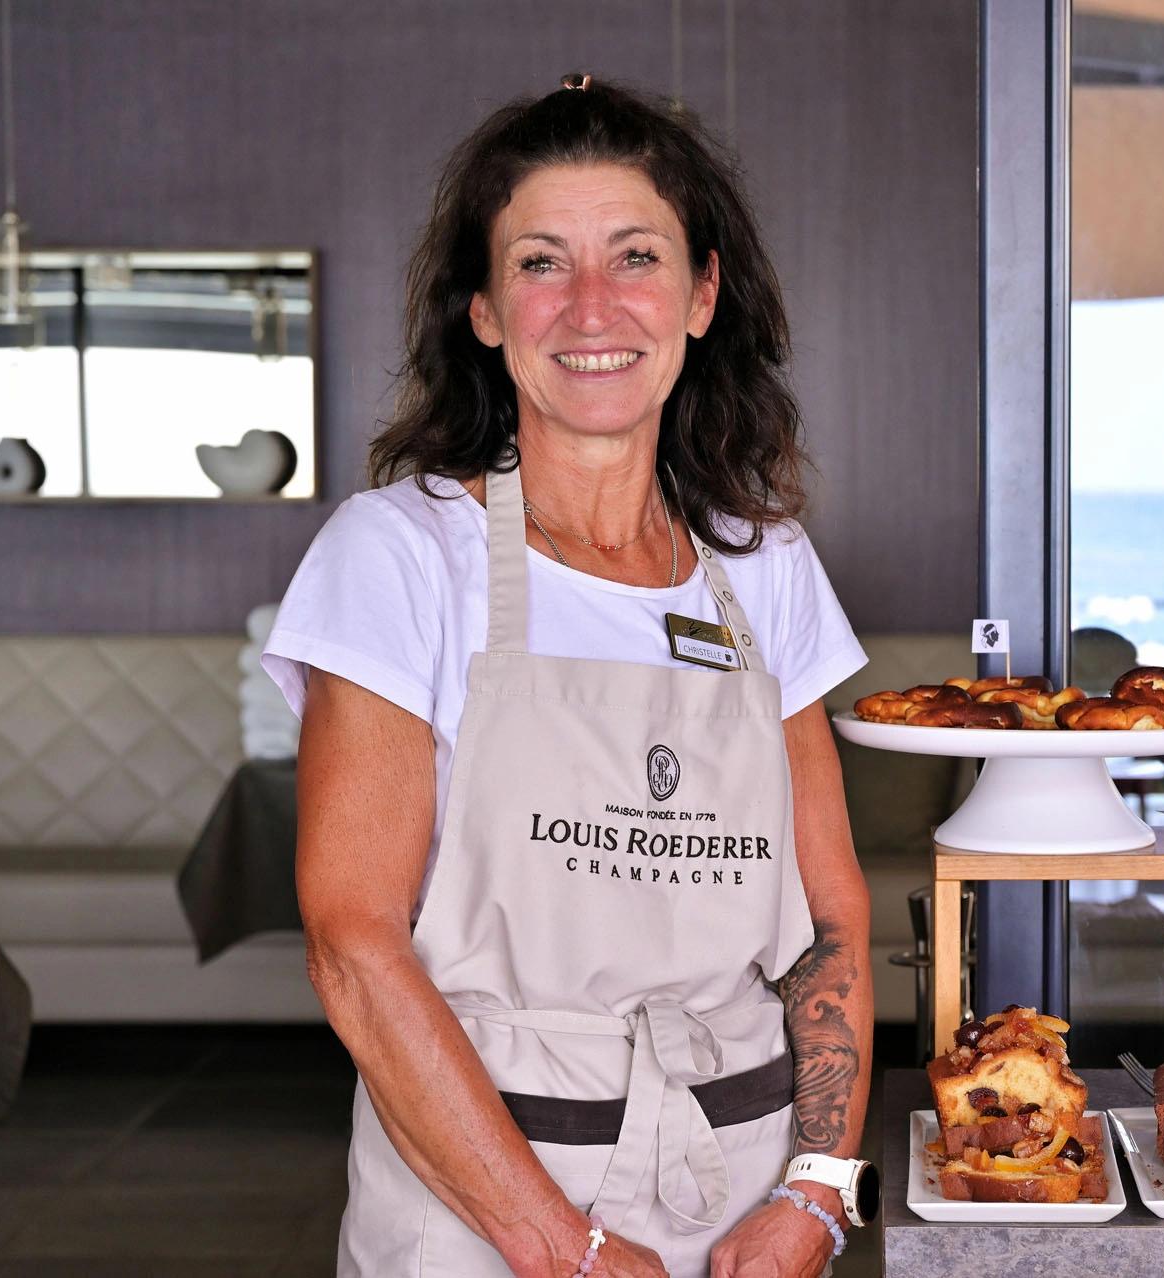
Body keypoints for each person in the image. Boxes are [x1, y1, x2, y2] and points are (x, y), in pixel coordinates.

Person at [263, 76, 874, 1278]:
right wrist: (562, 1249)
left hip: (748, 1205)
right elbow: (352, 943)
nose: (591, 306)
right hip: (486, 1210)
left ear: (700, 295)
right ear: (486, 310)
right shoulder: (399, 554)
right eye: (542, 263)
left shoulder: (768, 569)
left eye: (634, 256)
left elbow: (832, 923)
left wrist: (818, 1192)